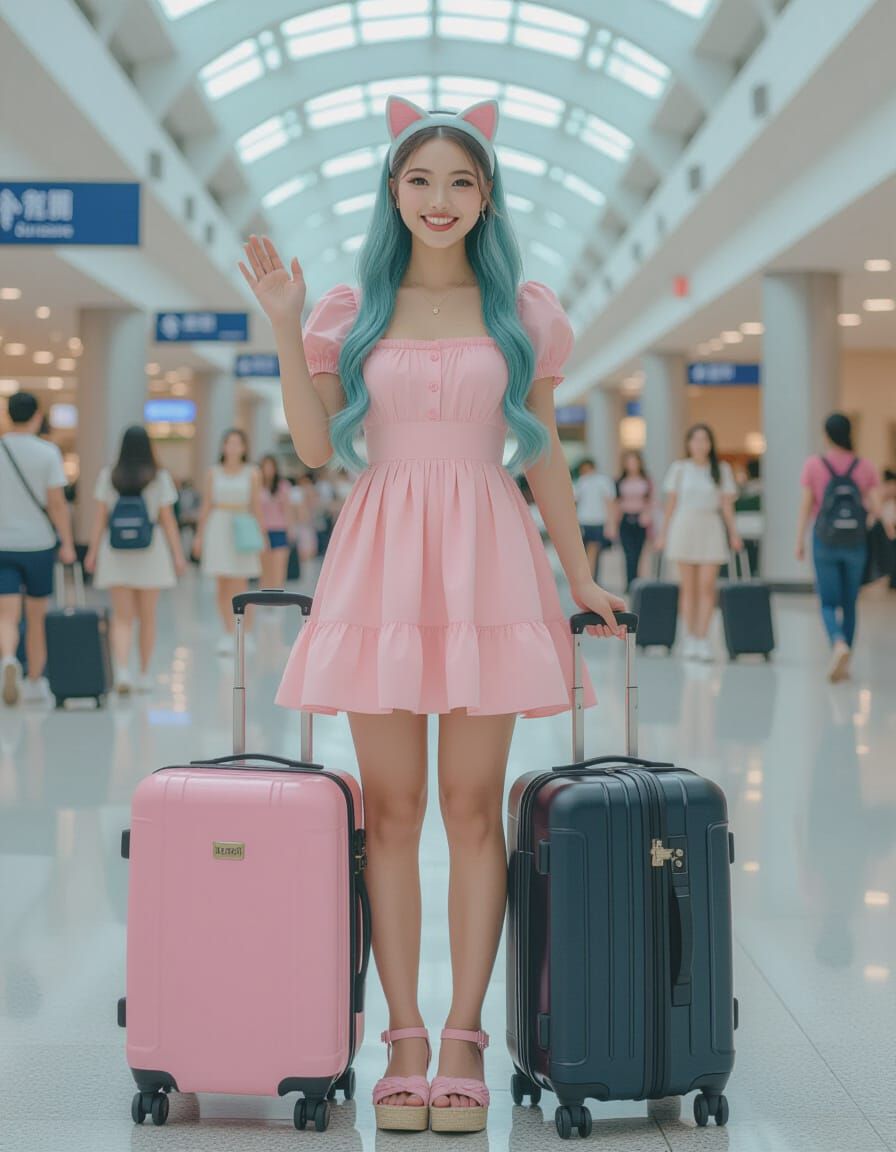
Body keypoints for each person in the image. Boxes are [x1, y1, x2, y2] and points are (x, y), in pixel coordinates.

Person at [238, 95, 625, 1135]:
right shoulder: (349, 308)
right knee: (393, 810)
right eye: (420, 180)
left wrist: (579, 577)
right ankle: (400, 1037)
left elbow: (539, 451)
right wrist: (282, 325)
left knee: (470, 807)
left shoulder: (524, 313)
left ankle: (465, 1038)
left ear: (485, 194)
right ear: (392, 190)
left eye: (459, 181)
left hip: (487, 554)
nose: (439, 199)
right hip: (379, 556)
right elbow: (319, 452)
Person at [83, 425, 186, 693]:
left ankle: (123, 671)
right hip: (151, 551)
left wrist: (92, 552)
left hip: (116, 552)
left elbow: (100, 518)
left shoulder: (110, 475)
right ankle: (143, 674)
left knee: (122, 617)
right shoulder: (159, 477)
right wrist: (178, 555)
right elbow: (168, 520)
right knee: (148, 617)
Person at [794, 413, 892, 681]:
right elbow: (875, 503)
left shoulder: (814, 464)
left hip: (824, 540)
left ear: (826, 435)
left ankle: (838, 644)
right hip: (856, 542)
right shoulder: (863, 466)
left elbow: (806, 505)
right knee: (850, 602)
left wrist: (798, 539)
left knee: (827, 602)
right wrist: (887, 527)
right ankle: (846, 659)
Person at [0, 391, 76, 706]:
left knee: (6, 615)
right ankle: (34, 682)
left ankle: (7, 659)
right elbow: (57, 504)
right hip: (39, 545)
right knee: (36, 616)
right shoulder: (48, 452)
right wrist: (68, 543)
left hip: (3, 544)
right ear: (36, 416)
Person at [656, 424, 741, 662]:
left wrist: (733, 533)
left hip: (710, 528)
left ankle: (703, 638)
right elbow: (670, 504)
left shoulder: (721, 469)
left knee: (707, 587)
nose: (700, 445)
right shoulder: (679, 469)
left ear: (711, 444)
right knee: (688, 588)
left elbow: (726, 505)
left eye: (705, 440)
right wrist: (662, 534)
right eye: (696, 440)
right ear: (688, 443)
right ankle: (690, 637)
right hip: (684, 526)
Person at [191, 428, 266, 655]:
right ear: (223, 447)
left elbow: (256, 506)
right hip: (218, 526)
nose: (233, 447)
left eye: (237, 443)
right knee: (222, 584)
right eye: (229, 443)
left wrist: (262, 535)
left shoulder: (252, 473)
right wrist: (199, 535)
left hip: (242, 527)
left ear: (244, 448)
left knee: (241, 584)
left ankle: (246, 632)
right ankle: (226, 632)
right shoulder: (213, 473)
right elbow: (206, 505)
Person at [572, 457, 617, 585]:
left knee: (592, 551)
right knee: (590, 552)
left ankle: (590, 580)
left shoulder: (601, 481)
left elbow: (609, 502)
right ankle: (591, 580)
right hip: (588, 520)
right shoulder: (583, 481)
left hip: (594, 520)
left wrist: (611, 524)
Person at [614, 450, 653, 591]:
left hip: (640, 520)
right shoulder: (619, 481)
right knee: (628, 554)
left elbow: (650, 501)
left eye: (634, 461)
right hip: (625, 520)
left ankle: (636, 583)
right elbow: (616, 503)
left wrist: (647, 516)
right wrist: (613, 524)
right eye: (628, 462)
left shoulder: (646, 481)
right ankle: (629, 583)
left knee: (638, 553)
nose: (632, 464)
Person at [258, 454, 293, 592]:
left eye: (270, 467)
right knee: (264, 570)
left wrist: (290, 530)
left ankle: (278, 601)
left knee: (278, 568)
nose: (268, 470)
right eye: (265, 467)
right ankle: (264, 600)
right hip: (262, 531)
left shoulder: (283, 486)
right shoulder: (257, 486)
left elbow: (287, 510)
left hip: (279, 529)